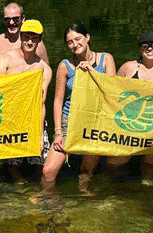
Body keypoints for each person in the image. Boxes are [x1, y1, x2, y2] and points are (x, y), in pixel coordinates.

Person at [42, 24, 116, 185]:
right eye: (70, 42)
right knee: (48, 172)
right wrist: (58, 133)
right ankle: (46, 200)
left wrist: (92, 71)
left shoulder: (106, 59)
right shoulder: (65, 65)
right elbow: (58, 101)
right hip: (70, 120)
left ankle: (84, 202)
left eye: (78, 39)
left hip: (96, 122)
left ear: (87, 38)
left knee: (86, 173)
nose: (75, 44)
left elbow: (113, 91)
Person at [108, 31, 153, 179]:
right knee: (114, 162)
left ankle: (148, 196)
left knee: (150, 166)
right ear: (140, 49)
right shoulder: (128, 68)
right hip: (127, 125)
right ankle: (115, 188)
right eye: (145, 45)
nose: (149, 48)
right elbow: (111, 91)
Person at [0, 20, 53, 180]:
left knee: (42, 165)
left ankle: (37, 195)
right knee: (14, 167)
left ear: (39, 40)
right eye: (26, 37)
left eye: (34, 38)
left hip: (33, 120)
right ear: (20, 37)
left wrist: (40, 136)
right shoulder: (4, 59)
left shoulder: (45, 69)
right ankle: (19, 195)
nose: (29, 41)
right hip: (11, 119)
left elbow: (41, 104)